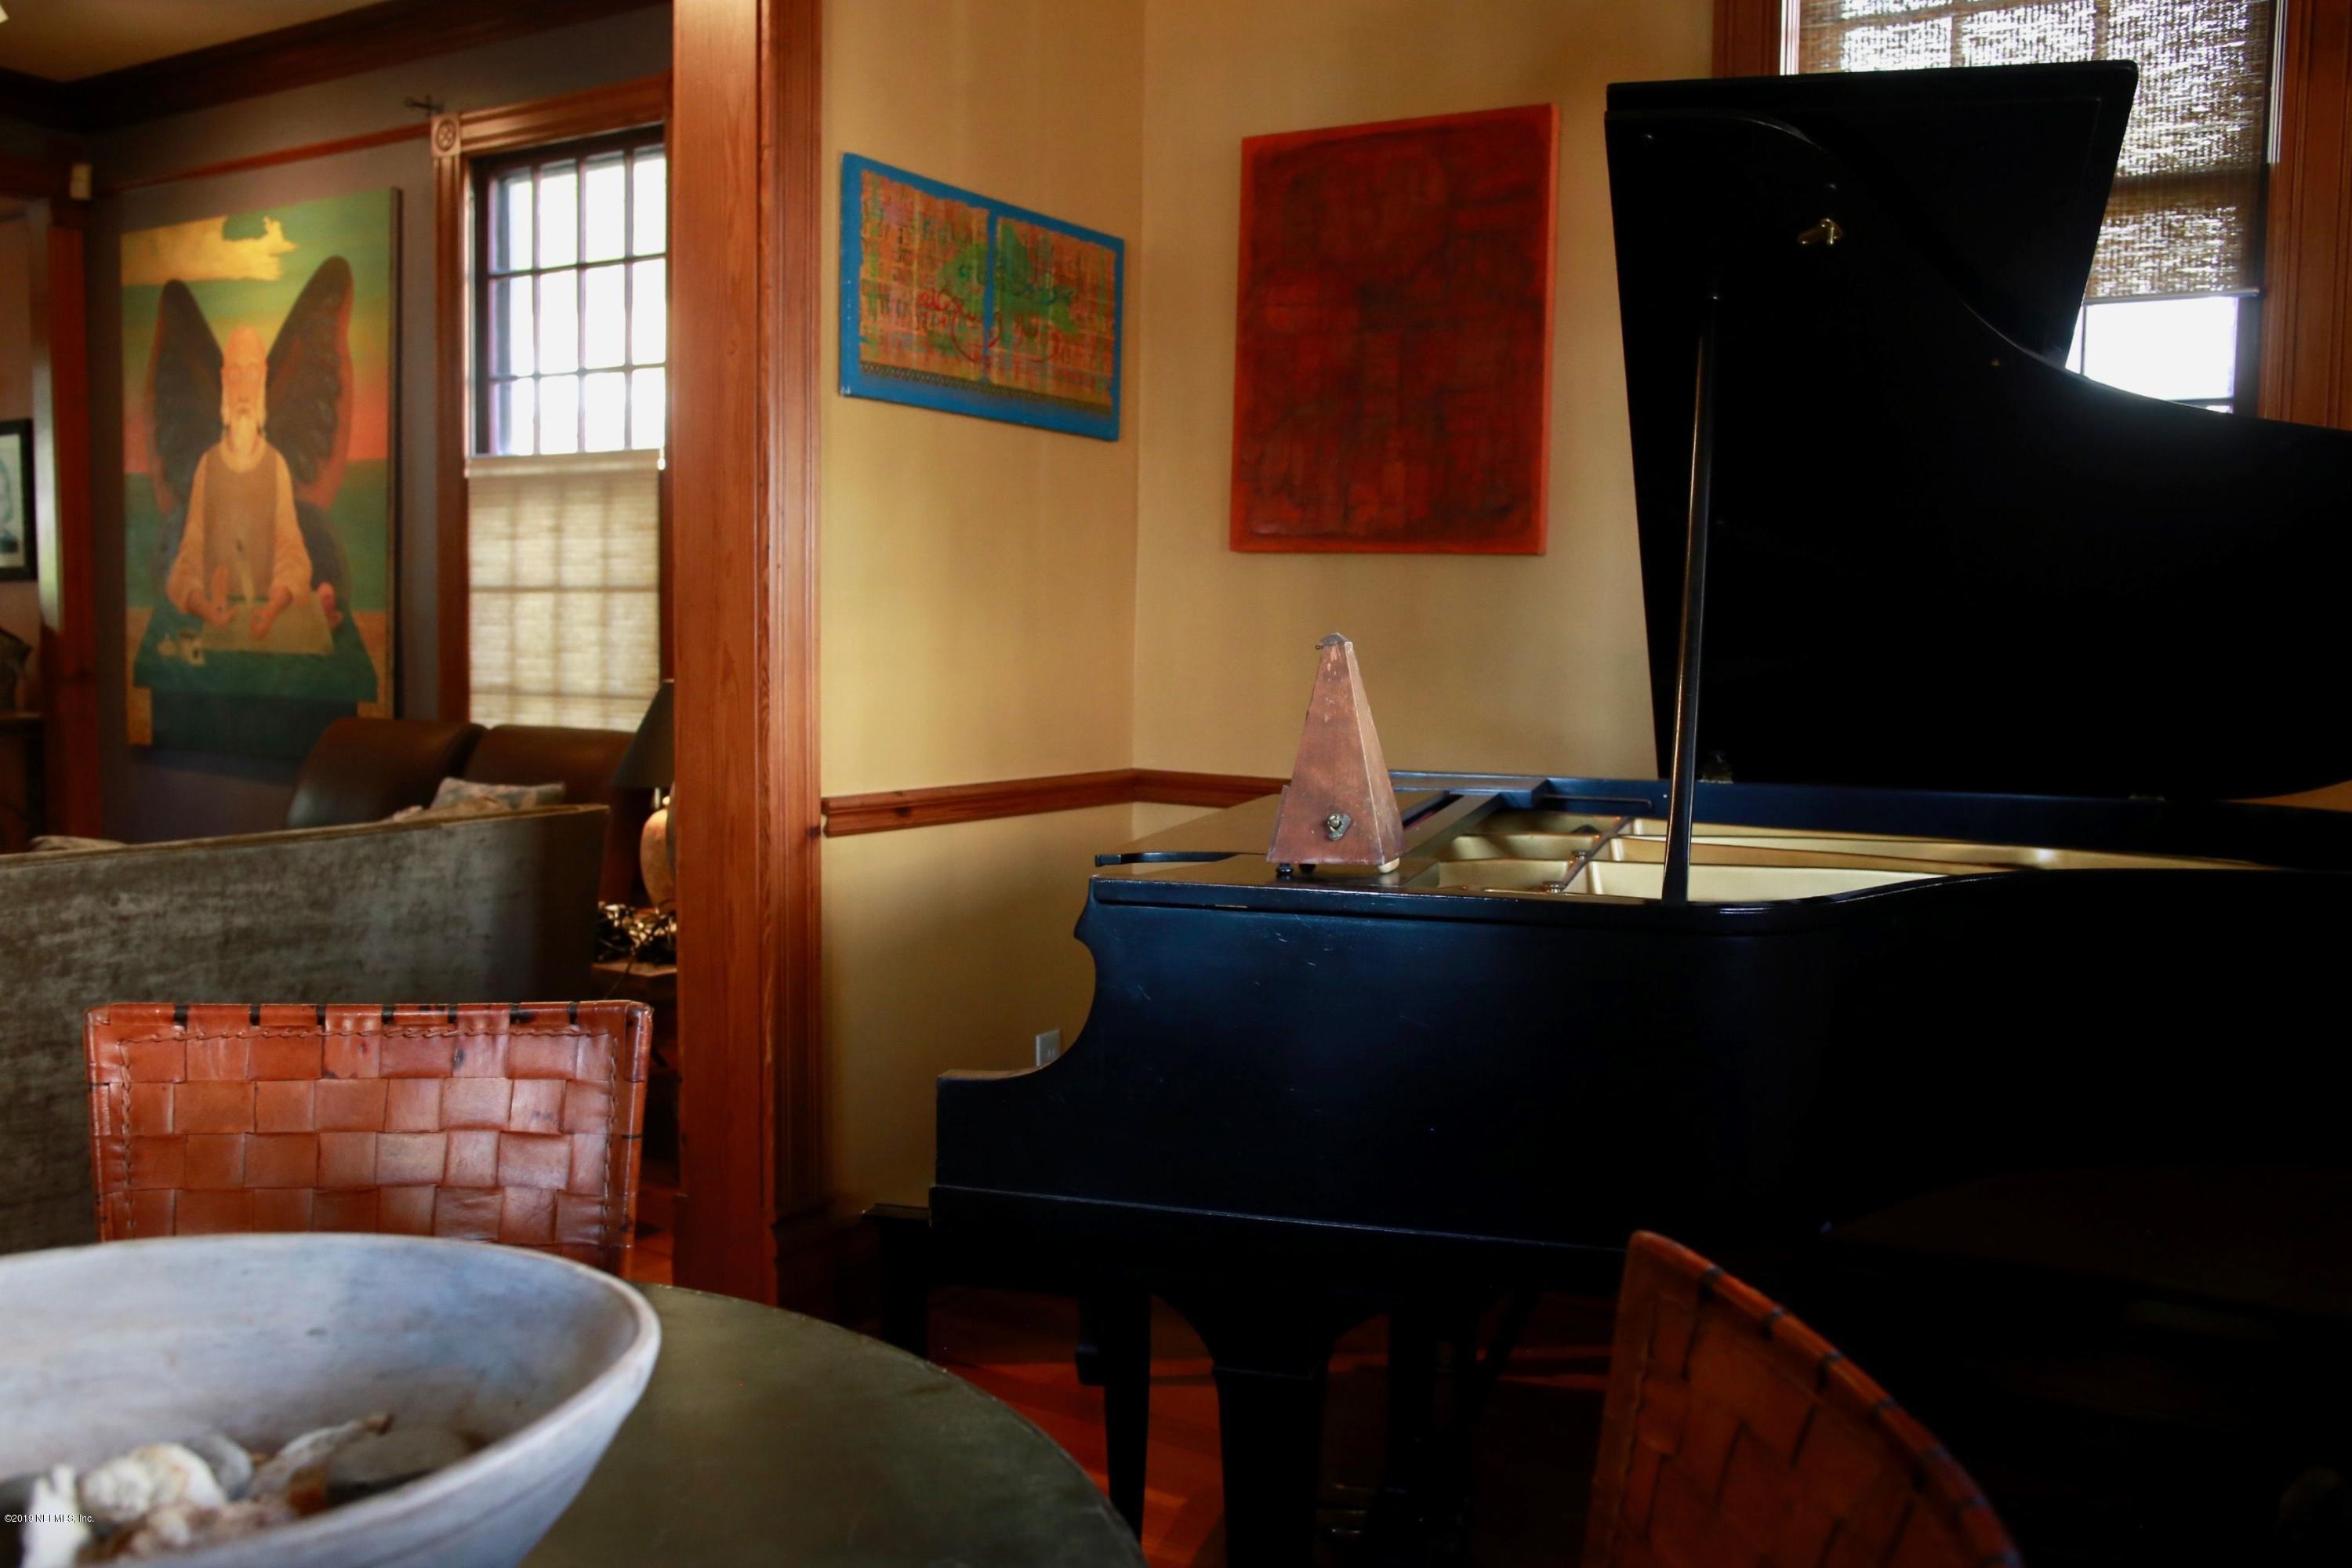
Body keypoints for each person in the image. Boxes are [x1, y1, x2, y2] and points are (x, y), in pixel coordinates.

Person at [164, 325, 337, 640]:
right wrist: (206, 609)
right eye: (235, 374)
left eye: (252, 373)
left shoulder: (276, 467)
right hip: (216, 620)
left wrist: (270, 611)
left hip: (266, 618)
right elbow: (188, 557)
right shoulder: (209, 466)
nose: (243, 387)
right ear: (224, 380)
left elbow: (293, 557)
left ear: (263, 379)